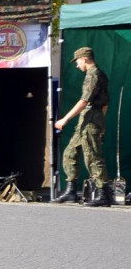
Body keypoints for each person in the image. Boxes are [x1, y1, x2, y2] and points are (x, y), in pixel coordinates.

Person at [53, 46, 113, 207]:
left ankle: (103, 193)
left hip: (91, 117)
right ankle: (71, 191)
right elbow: (106, 103)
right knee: (70, 153)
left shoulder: (93, 75)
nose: (76, 65)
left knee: (92, 155)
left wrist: (64, 119)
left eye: (77, 61)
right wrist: (102, 123)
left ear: (85, 59)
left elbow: (84, 101)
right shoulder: (97, 74)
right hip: (90, 117)